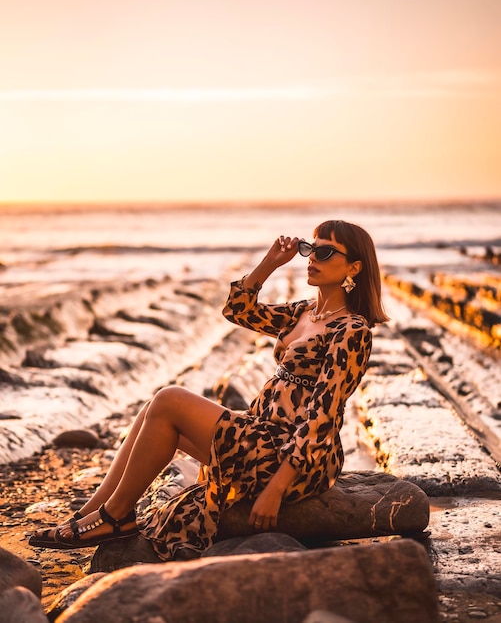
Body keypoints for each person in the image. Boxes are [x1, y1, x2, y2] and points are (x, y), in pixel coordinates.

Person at [29, 219, 388, 560]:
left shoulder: (352, 331)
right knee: (152, 412)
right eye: (310, 249)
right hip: (262, 437)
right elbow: (237, 310)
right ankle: (91, 513)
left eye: (325, 253)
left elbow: (324, 416)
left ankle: (115, 517)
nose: (311, 259)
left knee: (170, 399)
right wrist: (269, 263)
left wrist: (277, 488)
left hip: (293, 458)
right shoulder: (303, 313)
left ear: (354, 268)